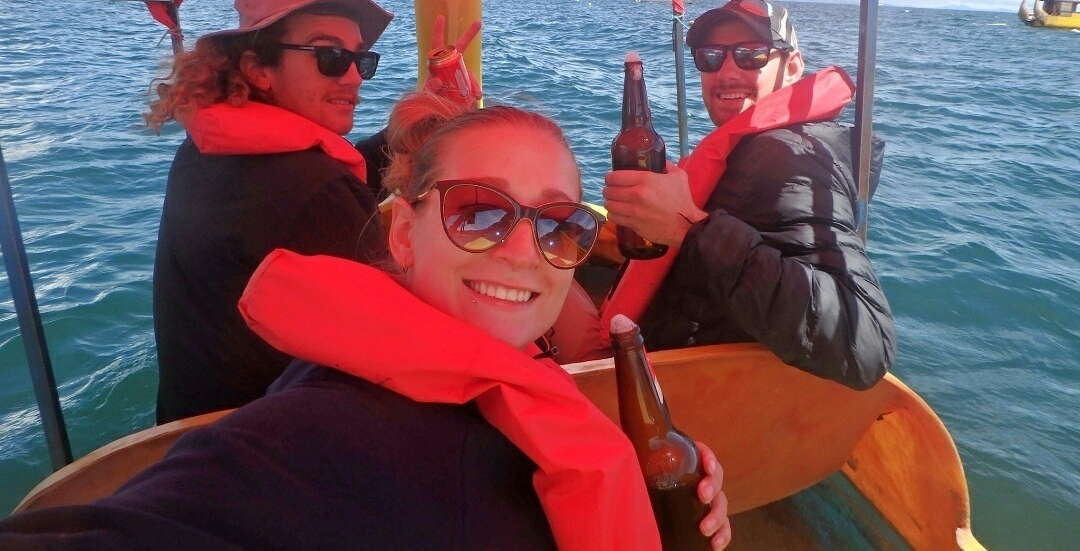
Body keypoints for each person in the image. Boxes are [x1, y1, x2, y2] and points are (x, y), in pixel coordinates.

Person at [0, 95, 732, 551]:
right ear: (403, 235)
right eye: (478, 211)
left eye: (559, 226)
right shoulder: (320, 436)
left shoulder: (507, 392)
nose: (521, 252)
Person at [562, 0, 895, 391]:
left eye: (751, 54)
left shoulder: (790, 159)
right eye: (711, 57)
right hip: (676, 350)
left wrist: (688, 229)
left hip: (679, 390)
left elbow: (863, 341)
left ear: (793, 67)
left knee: (531, 284)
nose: (727, 72)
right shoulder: (752, 150)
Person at [145, 0, 399, 424]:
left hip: (184, 438)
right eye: (330, 57)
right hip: (269, 457)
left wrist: (403, 135)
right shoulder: (312, 194)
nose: (355, 78)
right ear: (258, 68)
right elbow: (394, 347)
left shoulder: (207, 150)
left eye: (361, 60)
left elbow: (321, 183)